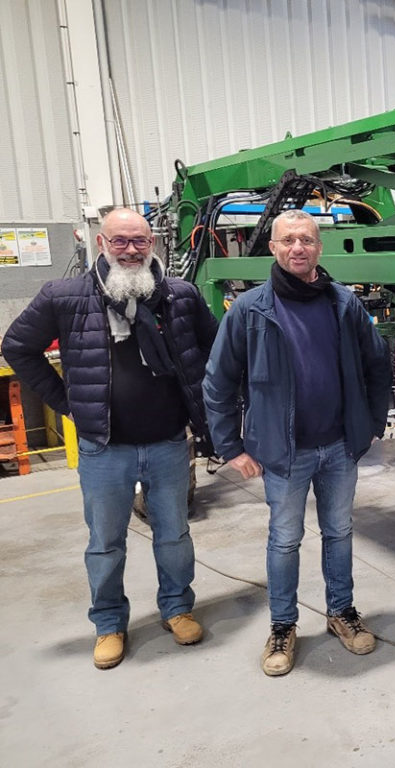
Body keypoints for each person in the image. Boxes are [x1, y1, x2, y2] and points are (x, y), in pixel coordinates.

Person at [1, 208, 219, 670]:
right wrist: (67, 403)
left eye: (139, 241)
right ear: (101, 244)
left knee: (175, 535)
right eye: (120, 241)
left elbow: (214, 349)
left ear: (153, 243)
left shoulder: (180, 295)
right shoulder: (67, 296)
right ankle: (108, 623)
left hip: (166, 444)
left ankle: (177, 608)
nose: (131, 250)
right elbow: (17, 346)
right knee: (105, 542)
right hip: (104, 448)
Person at [203, 209, 391, 676]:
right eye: (288, 240)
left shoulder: (343, 304)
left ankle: (341, 613)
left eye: (306, 239)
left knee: (339, 532)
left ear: (318, 247)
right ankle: (283, 625)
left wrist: (370, 424)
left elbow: (376, 365)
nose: (297, 248)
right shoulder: (250, 311)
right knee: (285, 540)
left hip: (338, 448)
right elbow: (217, 381)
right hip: (283, 454)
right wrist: (231, 448)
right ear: (273, 248)